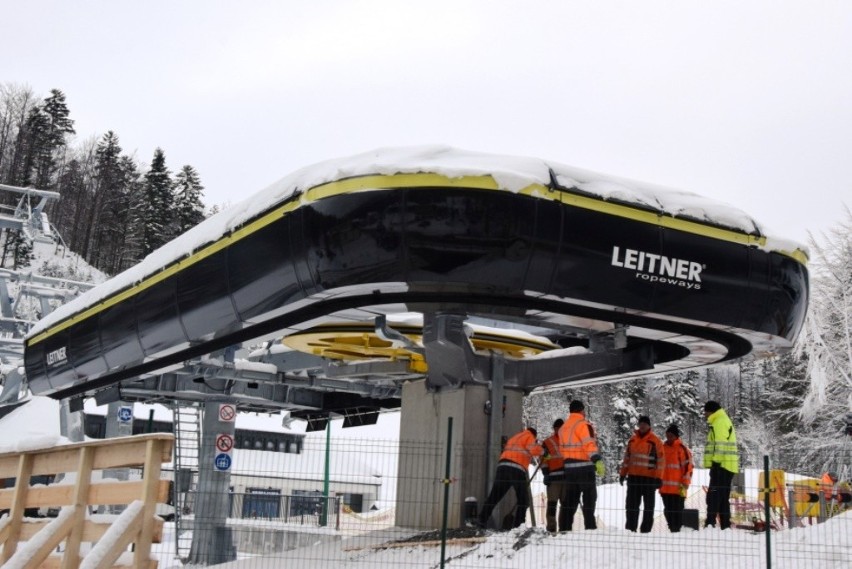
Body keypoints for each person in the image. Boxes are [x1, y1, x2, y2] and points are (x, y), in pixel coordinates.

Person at [477, 427, 543, 529]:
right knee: (523, 500)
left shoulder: (515, 437)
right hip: (516, 469)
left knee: (495, 496)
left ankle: (481, 520)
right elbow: (533, 449)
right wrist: (543, 451)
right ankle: (518, 526)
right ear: (534, 435)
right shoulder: (529, 436)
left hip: (502, 467)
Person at [559, 400, 605, 531]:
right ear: (581, 410)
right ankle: (590, 528)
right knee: (589, 498)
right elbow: (588, 444)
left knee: (570, 501)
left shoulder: (563, 428)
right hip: (584, 467)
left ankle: (565, 529)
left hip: (569, 469)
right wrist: (596, 459)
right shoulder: (583, 424)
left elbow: (562, 449)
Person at [618, 415, 664, 533]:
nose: (642, 426)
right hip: (633, 478)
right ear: (638, 425)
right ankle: (630, 529)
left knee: (648, 508)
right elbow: (627, 459)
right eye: (641, 424)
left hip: (649, 479)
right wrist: (623, 474)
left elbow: (661, 461)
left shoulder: (655, 441)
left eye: (645, 424)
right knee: (631, 506)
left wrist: (658, 477)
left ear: (649, 426)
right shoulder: (632, 440)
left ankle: (645, 531)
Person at [703, 400, 738, 529]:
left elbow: (720, 444)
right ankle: (725, 525)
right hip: (726, 466)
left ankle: (710, 523)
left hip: (722, 466)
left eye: (705, 412)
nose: (704, 415)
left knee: (713, 495)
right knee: (722, 497)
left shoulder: (720, 422)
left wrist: (716, 463)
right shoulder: (721, 420)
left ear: (710, 411)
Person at [660, 423, 694, 532]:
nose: (668, 438)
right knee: (668, 511)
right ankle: (672, 528)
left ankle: (678, 529)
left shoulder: (682, 449)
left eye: (671, 435)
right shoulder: (662, 448)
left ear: (676, 436)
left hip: (679, 487)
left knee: (678, 510)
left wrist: (686, 482)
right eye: (667, 435)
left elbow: (688, 468)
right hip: (665, 488)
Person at [541, 418, 566, 532]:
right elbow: (544, 459)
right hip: (553, 478)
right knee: (552, 504)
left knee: (566, 505)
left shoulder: (569, 442)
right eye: (558, 428)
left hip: (567, 478)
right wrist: (546, 474)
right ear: (555, 429)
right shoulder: (547, 442)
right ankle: (551, 528)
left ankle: (564, 528)